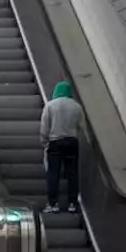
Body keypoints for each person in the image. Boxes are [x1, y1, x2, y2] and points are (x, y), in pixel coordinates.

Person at [41, 80, 84, 214]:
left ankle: (53, 204)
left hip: (55, 142)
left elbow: (44, 127)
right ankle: (72, 203)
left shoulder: (50, 106)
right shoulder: (76, 106)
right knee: (72, 173)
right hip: (72, 142)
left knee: (53, 173)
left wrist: (44, 141)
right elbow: (82, 125)